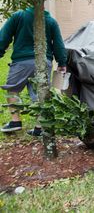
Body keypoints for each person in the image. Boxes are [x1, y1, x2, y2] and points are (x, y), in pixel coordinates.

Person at [0, 7, 67, 136]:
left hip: (22, 62)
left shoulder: (18, 16)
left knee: (13, 89)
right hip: (44, 62)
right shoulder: (50, 20)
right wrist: (62, 63)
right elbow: (58, 44)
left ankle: (15, 122)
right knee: (39, 93)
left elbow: (3, 38)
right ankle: (39, 127)